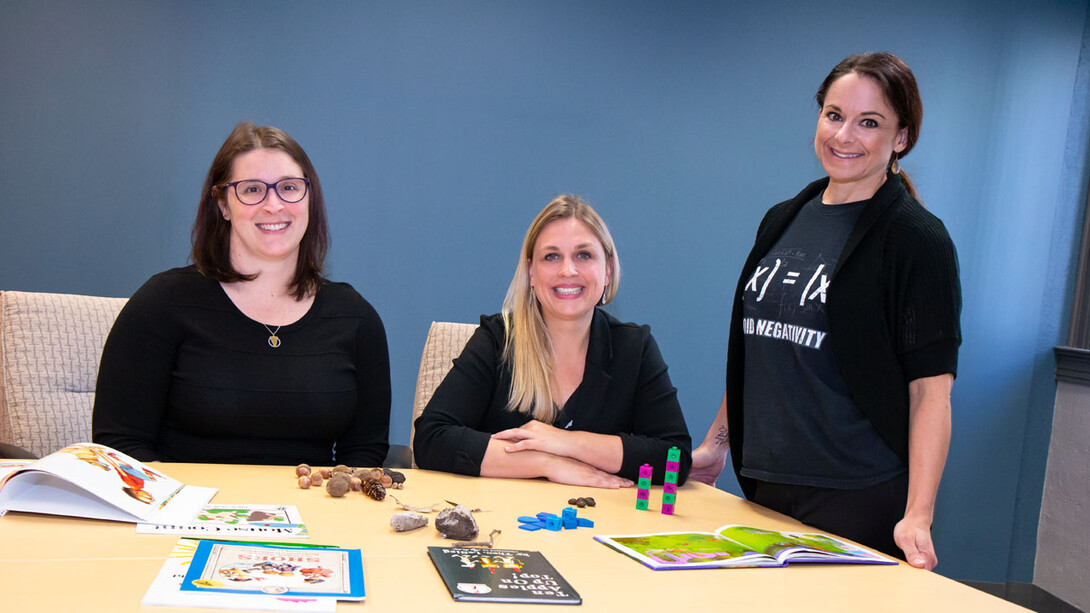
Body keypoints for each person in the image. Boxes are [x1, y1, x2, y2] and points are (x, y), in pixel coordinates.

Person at [689, 53, 961, 570]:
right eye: (834, 115)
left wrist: (918, 514)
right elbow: (761, 343)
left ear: (901, 138)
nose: (844, 136)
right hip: (766, 484)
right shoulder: (783, 218)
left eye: (870, 122)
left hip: (855, 495)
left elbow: (932, 392)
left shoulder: (917, 240)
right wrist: (716, 445)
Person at [92, 122, 391, 467]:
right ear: (222, 204)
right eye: (252, 190)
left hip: (313, 516)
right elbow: (120, 443)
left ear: (309, 198)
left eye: (289, 188)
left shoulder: (356, 318)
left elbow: (364, 453)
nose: (274, 205)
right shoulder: (162, 303)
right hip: (185, 513)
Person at [413, 195, 691, 488]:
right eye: (551, 256)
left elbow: (675, 457)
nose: (568, 270)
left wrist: (566, 442)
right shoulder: (498, 339)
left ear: (608, 270)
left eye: (584, 255)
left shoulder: (635, 348)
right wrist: (546, 462)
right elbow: (431, 438)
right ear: (531, 271)